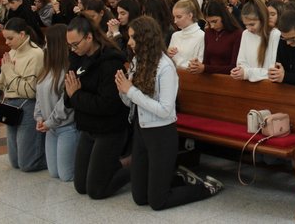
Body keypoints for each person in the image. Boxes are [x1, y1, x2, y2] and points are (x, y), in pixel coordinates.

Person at [116, 16, 222, 210]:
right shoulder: (138, 60)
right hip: (141, 130)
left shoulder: (165, 67)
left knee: (158, 202)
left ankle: (205, 188)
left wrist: (130, 91)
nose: (129, 42)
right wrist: (122, 90)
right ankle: (178, 177)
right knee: (140, 198)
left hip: (161, 134)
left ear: (146, 39)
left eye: (133, 38)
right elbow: (132, 102)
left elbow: (165, 110)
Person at [64, 15, 130, 199]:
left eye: (75, 44)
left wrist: (76, 95)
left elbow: (107, 105)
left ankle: (136, 166)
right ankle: (108, 167)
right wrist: (74, 96)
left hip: (110, 129)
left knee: (96, 191)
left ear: (89, 37)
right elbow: (67, 95)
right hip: (88, 126)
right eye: (70, 45)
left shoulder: (111, 62)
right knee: (81, 186)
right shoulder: (77, 58)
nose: (73, 49)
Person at [0, 18, 46, 172]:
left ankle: (53, 158)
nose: (6, 42)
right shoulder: (13, 51)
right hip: (10, 104)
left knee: (27, 164)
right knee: (15, 162)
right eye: (5, 38)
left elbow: (29, 91)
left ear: (22, 34)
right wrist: (7, 72)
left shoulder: (36, 54)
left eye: (10, 38)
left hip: (27, 105)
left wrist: (8, 71)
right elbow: (1, 84)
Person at [35, 24, 78, 181]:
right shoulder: (47, 69)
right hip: (50, 128)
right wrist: (39, 117)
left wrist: (50, 122)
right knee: (54, 173)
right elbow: (39, 96)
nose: (45, 47)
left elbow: (65, 103)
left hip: (66, 127)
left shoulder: (68, 70)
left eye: (47, 43)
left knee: (66, 176)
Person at [230, 0, 280, 81]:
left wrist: (247, 73)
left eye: (252, 24)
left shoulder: (275, 35)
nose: (249, 29)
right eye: (245, 25)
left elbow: (272, 70)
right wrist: (239, 71)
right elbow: (241, 62)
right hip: (247, 84)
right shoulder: (245, 33)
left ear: (263, 19)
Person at [187, 0, 242, 75]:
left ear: (224, 17)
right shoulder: (209, 32)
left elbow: (234, 67)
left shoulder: (237, 34)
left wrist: (205, 68)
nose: (212, 26)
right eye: (209, 22)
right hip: (210, 78)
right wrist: (197, 66)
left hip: (228, 79)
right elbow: (206, 61)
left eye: (214, 21)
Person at [167, 0, 204, 69]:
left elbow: (198, 64)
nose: (175, 21)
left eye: (179, 17)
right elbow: (169, 62)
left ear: (190, 15)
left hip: (191, 75)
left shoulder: (202, 36)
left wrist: (178, 61)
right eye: (174, 17)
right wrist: (168, 54)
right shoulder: (175, 35)